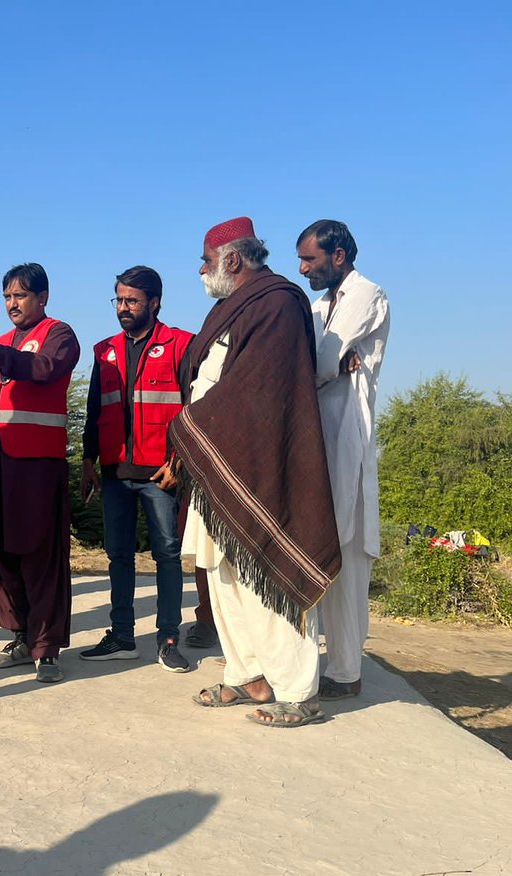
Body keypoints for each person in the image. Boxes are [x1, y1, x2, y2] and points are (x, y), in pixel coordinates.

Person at [169, 217, 341, 728]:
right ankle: (249, 676)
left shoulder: (277, 303)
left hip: (259, 465)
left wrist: (192, 425)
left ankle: (299, 692)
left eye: (206, 260)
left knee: (263, 572)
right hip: (219, 463)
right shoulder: (231, 307)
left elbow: (260, 389)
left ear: (232, 258)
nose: (201, 270)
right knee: (222, 572)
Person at [0, 263, 81, 684]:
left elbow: (40, 370)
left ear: (43, 297)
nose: (12, 304)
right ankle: (21, 636)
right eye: (7, 296)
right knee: (2, 551)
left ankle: (47, 648)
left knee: (41, 554)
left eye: (20, 295)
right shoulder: (2, 345)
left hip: (38, 462)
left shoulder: (60, 334)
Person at [79, 266, 195, 672]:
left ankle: (168, 638)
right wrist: (88, 462)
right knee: (118, 556)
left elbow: (194, 409)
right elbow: (95, 411)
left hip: (160, 474)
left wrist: (180, 462)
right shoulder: (104, 351)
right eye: (119, 300)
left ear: (154, 303)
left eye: (132, 301)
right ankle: (122, 636)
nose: (123, 308)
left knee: (167, 553)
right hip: (115, 473)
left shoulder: (180, 345)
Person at [297, 219, 390, 701]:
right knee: (316, 547)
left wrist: (325, 364)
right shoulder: (317, 306)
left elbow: (318, 359)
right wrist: (325, 365)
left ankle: (347, 669)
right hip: (316, 435)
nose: (302, 269)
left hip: (348, 436)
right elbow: (312, 361)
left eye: (309, 259)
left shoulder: (367, 294)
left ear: (338, 256)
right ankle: (317, 661)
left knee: (348, 556)